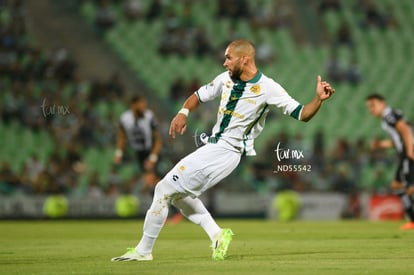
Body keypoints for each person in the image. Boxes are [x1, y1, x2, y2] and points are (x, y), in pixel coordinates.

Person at [111, 39, 335, 262]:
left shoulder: (268, 88)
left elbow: (302, 114)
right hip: (215, 147)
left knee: (163, 188)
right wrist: (183, 113)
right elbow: (198, 95)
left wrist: (318, 99)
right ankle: (217, 235)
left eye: (228, 58)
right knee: (179, 195)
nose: (225, 63)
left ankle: (143, 251)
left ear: (244, 59)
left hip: (226, 150)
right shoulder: (225, 79)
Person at [366, 94, 414, 230]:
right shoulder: (387, 118)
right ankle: (412, 220)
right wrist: (381, 144)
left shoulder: (389, 116)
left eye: (373, 105)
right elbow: (398, 139)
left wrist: (410, 150)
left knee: (410, 187)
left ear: (383, 103)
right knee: (397, 185)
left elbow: (405, 129)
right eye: (369, 107)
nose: (371, 109)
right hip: (404, 153)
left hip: (407, 154)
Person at [114, 95, 162, 194]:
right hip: (138, 152)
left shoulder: (149, 116)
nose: (144, 106)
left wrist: (152, 158)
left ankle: (171, 206)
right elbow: (121, 136)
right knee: (149, 182)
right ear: (133, 105)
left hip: (152, 150)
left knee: (156, 180)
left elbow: (157, 139)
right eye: (141, 104)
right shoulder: (125, 118)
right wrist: (119, 153)